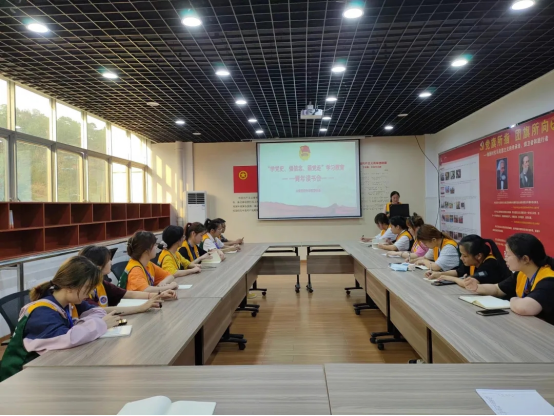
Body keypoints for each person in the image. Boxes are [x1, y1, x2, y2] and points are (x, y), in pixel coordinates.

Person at [0, 256, 121, 382]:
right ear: (70, 287)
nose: (89, 293)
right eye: (87, 288)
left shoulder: (69, 302)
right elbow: (69, 339)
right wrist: (100, 324)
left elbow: (98, 311)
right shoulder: (41, 312)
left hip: (47, 368)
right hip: (19, 377)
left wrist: (84, 326)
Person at [464, 233, 554, 324]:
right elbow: (497, 289)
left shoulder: (549, 280)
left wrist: (513, 299)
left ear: (525, 259)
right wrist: (477, 287)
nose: (505, 258)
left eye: (508, 255)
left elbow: (524, 308)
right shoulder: (522, 273)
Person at [79, 246, 176, 315]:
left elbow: (129, 294)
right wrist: (140, 308)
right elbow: (98, 311)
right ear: (98, 266)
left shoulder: (101, 283)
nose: (111, 262)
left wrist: (159, 295)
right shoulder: (82, 290)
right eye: (108, 260)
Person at [426, 235, 510, 287]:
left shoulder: (490, 264)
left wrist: (450, 278)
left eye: (465, 256)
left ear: (479, 256)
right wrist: (439, 274)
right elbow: (459, 272)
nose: (461, 258)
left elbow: (469, 283)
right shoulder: (474, 261)